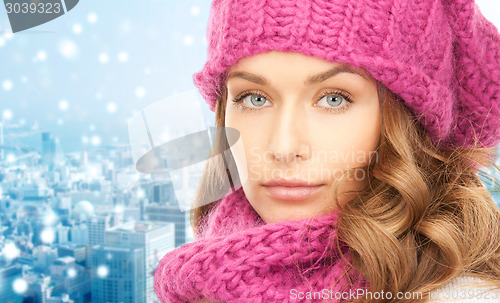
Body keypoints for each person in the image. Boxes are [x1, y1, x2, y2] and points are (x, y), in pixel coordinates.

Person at [154, 0, 500, 302]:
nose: (283, 147)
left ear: (407, 120)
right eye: (254, 98)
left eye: (334, 99)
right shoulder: (205, 276)